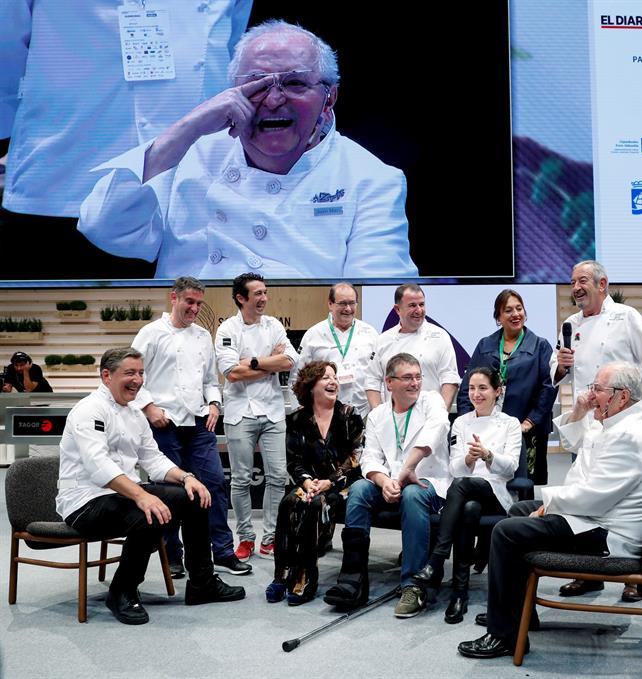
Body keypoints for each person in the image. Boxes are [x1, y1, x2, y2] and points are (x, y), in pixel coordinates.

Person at [77, 19, 418, 280]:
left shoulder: (371, 178)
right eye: (255, 85)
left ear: (329, 98)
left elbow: (379, 292)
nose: (272, 99)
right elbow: (104, 227)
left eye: (295, 83)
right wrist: (188, 127)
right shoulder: (188, 155)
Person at [0, 0, 252, 280]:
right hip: (62, 179)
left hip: (185, 193)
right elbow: (5, 52)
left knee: (180, 320)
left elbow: (233, 55)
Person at [458, 362, 642, 659]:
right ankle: (517, 613)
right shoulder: (624, 419)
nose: (591, 394)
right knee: (520, 510)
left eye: (598, 389)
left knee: (506, 532)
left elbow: (594, 496)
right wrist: (585, 410)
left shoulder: (630, 436)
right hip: (600, 516)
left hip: (608, 533)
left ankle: (503, 636)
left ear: (622, 396)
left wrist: (549, 505)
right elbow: (583, 444)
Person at [55, 347, 246, 625]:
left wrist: (186, 478)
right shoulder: (88, 410)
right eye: (130, 373)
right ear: (106, 375)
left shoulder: (134, 414)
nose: (138, 379)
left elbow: (154, 459)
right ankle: (122, 590)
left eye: (141, 372)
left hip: (124, 495)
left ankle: (202, 583)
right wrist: (142, 496)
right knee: (147, 513)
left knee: (194, 496)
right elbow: (98, 466)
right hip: (84, 502)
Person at [550, 260, 642, 602]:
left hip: (623, 421)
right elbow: (556, 371)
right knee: (586, 497)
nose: (576, 287)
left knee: (626, 499)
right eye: (572, 282)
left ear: (603, 284)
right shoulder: (570, 324)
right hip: (588, 423)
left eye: (583, 280)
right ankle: (588, 573)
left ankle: (635, 572)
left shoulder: (627, 317)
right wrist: (561, 366)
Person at [131, 277, 251, 578]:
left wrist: (213, 404)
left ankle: (222, 551)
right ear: (174, 298)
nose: (195, 309)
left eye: (199, 304)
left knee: (214, 485)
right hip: (164, 424)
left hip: (198, 423)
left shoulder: (201, 337)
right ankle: (173, 555)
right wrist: (148, 407)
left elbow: (211, 380)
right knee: (171, 492)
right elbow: (132, 375)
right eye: (190, 302)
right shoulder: (151, 333)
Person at [324, 353, 450, 618]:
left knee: (413, 495)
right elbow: (370, 457)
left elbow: (435, 432)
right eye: (407, 378)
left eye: (418, 377)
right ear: (389, 383)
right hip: (390, 481)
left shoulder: (432, 401)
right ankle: (353, 576)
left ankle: (414, 585)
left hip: (427, 480)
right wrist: (383, 481)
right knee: (358, 489)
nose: (415, 383)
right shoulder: (378, 414)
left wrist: (406, 471)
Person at [414, 367, 521, 624]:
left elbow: (511, 467)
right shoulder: (461, 423)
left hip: (496, 492)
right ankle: (458, 594)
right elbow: (454, 468)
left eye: (483, 388)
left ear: (498, 391)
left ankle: (438, 558)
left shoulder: (510, 423)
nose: (476, 394)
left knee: (463, 486)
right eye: (472, 388)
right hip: (467, 497)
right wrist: (469, 459)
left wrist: (487, 455)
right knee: (469, 508)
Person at [215, 272, 299, 560]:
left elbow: (289, 360)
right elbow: (232, 373)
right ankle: (246, 538)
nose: (264, 298)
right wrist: (269, 364)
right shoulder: (227, 330)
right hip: (240, 412)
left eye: (265, 292)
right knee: (239, 479)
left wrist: (252, 361)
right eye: (258, 294)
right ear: (241, 298)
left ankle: (271, 537)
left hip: (274, 410)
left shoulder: (274, 325)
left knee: (277, 476)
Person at [265, 361, 364, 606]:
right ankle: (282, 574)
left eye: (335, 377)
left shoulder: (350, 416)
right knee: (288, 503)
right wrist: (307, 481)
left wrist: (329, 483)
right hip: (311, 483)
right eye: (326, 378)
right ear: (311, 387)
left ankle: (304, 577)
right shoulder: (297, 419)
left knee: (313, 505)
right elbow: (294, 460)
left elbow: (356, 459)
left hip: (343, 486)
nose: (333, 382)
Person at [456, 289, 556, 484]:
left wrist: (529, 422)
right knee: (487, 481)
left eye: (519, 309)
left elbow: (549, 387)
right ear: (498, 317)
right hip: (489, 431)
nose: (515, 314)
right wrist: (465, 423)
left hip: (527, 430)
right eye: (508, 310)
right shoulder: (485, 345)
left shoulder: (540, 345)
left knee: (526, 486)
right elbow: (468, 385)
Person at [365, 284, 459, 411]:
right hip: (394, 419)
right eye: (412, 305)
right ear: (397, 309)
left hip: (429, 418)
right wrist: (379, 417)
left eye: (421, 304)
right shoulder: (382, 340)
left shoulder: (440, 337)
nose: (419, 310)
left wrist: (440, 416)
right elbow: (372, 381)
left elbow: (449, 379)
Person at [289, 283, 378, 418]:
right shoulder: (313, 334)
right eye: (342, 303)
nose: (348, 309)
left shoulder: (370, 333)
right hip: (322, 415)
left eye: (352, 303)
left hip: (363, 412)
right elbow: (297, 376)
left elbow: (378, 374)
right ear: (330, 304)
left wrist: (377, 411)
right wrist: (300, 412)